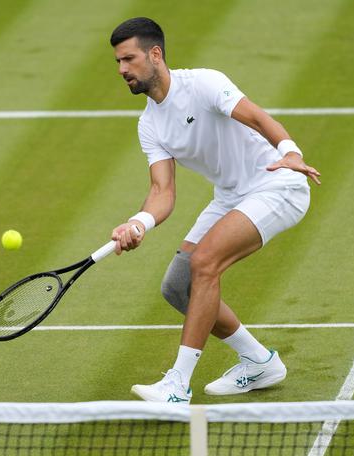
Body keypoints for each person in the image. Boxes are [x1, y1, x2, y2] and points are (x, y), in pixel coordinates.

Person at [109, 17, 321, 403]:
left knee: (204, 263)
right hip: (231, 195)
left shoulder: (202, 83)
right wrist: (138, 223)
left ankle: (177, 385)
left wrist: (291, 154)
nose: (122, 70)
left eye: (129, 59)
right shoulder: (150, 125)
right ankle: (259, 361)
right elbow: (162, 191)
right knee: (178, 286)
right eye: (118, 63)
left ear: (155, 54)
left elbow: (257, 117)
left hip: (277, 184)